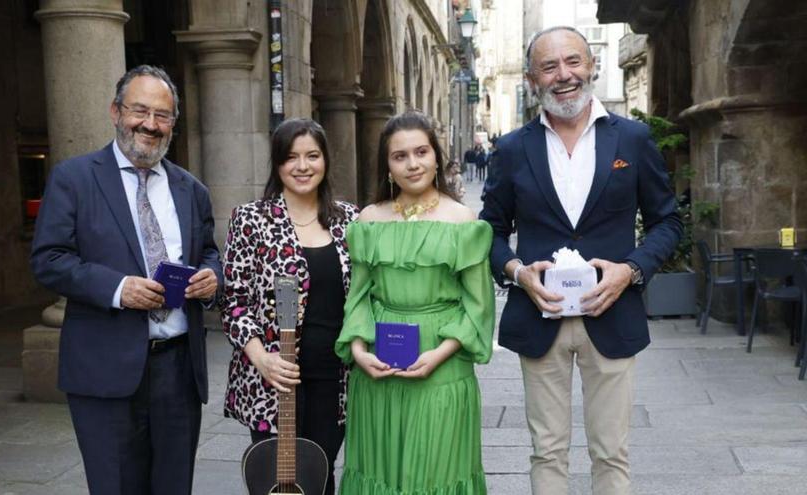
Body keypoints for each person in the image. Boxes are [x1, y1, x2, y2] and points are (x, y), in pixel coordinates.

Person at [480, 26, 682, 495]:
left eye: (573, 62)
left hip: (612, 313)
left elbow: (667, 221)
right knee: (546, 451)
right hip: (540, 315)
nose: (563, 75)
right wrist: (517, 273)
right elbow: (487, 231)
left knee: (611, 453)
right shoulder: (512, 149)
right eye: (549, 67)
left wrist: (630, 270)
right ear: (532, 78)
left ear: (592, 65)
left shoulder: (632, 139)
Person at [30, 65, 222, 494]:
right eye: (140, 111)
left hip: (178, 370)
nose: (150, 125)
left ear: (174, 123)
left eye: (162, 115)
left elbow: (208, 251)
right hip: (104, 370)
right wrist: (119, 289)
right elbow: (49, 259)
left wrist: (213, 277)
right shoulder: (74, 179)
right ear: (116, 111)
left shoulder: (192, 189)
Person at [335, 111, 496, 494]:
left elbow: (478, 305)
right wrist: (358, 351)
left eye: (421, 152)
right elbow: (357, 296)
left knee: (437, 474)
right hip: (378, 369)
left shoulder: (462, 220)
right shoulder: (369, 219)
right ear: (387, 165)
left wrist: (439, 354)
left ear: (436, 157)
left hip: (443, 366)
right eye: (400, 156)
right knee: (381, 472)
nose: (413, 164)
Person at [222, 118, 359, 495]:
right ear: (278, 163)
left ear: (326, 160)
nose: (303, 166)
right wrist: (261, 358)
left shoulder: (351, 220)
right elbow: (233, 302)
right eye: (291, 157)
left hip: (334, 377)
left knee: (321, 475)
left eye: (312, 155)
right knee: (277, 482)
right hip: (272, 377)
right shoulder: (250, 219)